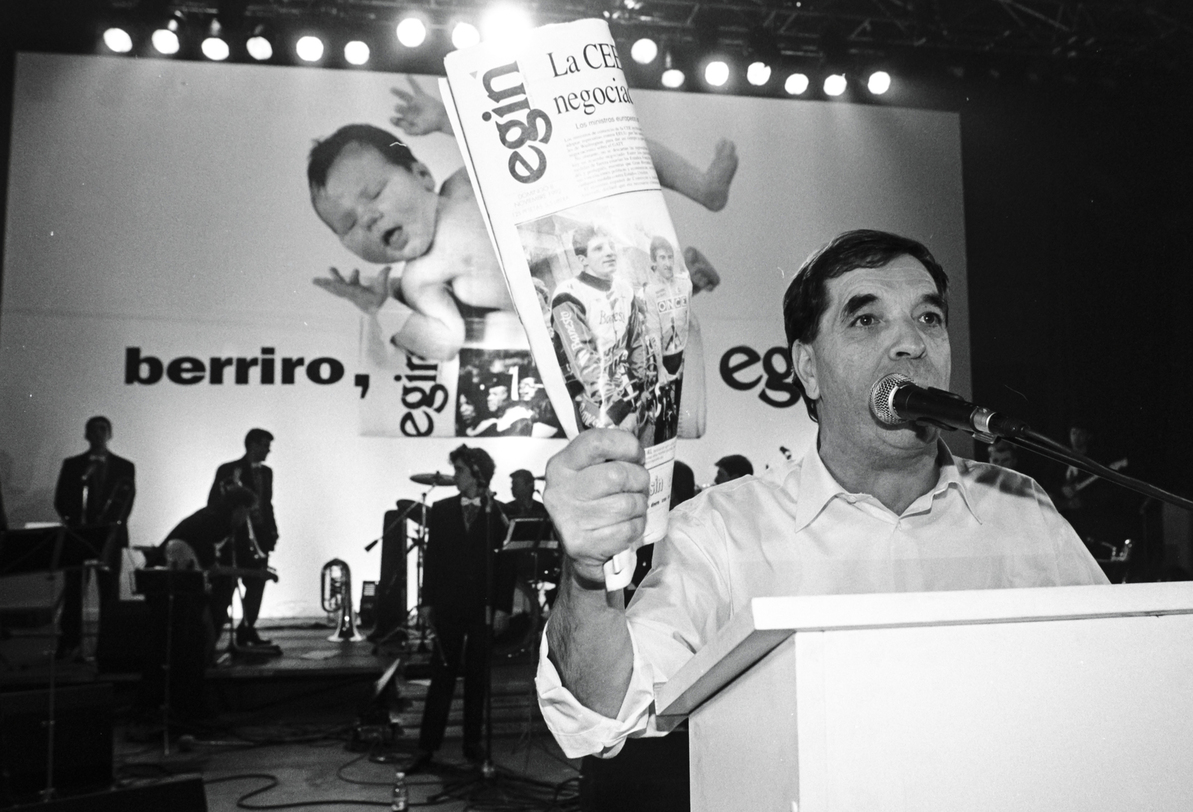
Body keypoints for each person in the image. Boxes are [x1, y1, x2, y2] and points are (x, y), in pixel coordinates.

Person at [535, 229, 1109, 761]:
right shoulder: (720, 529)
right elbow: (605, 711)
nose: (911, 343)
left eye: (929, 318)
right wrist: (586, 576)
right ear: (807, 369)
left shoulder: (1020, 511)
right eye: (866, 321)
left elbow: (1119, 675)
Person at [308, 78, 736, 366]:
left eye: (374, 193)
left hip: (580, 244)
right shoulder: (420, 277)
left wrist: (443, 120)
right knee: (620, 326)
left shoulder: (462, 185)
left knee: (611, 143)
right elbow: (447, 337)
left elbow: (500, 141)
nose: (368, 217)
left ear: (421, 175)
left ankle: (704, 189)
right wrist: (381, 309)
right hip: (566, 307)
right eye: (347, 224)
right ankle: (685, 283)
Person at [410, 445, 518, 772]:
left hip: (482, 607)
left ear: (477, 475)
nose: (454, 476)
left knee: (477, 677)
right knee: (441, 675)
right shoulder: (441, 511)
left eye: (459, 470)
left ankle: (473, 744)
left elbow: (506, 567)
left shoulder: (498, 514)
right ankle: (427, 747)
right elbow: (432, 560)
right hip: (448, 606)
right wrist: (427, 601)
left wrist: (502, 608)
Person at [138, 486, 261, 722]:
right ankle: (187, 708)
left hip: (169, 583)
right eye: (247, 513)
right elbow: (209, 569)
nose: (246, 519)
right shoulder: (216, 523)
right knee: (190, 644)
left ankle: (175, 707)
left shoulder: (211, 516)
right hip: (171, 586)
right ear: (239, 508)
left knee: (176, 647)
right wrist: (253, 573)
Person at [551, 226, 650, 433]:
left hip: (627, 388)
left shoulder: (625, 289)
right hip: (591, 394)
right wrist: (619, 411)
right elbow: (584, 360)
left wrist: (641, 390)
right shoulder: (567, 295)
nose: (609, 252)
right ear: (583, 259)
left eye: (611, 246)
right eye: (598, 249)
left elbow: (637, 344)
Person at [53, 415, 136, 658]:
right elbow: (61, 499)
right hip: (78, 537)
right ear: (86, 435)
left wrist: (109, 526)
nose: (99, 435)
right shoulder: (72, 465)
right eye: (94, 430)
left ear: (110, 435)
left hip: (110, 537)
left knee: (108, 592)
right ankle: (70, 642)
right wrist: (77, 523)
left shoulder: (125, 466)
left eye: (103, 430)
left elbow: (127, 502)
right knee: (74, 591)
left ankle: (108, 645)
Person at [208, 428, 278, 648]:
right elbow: (214, 502)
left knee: (257, 585)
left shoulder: (267, 473)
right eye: (265, 445)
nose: (269, 450)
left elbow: (267, 504)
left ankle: (247, 629)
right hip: (234, 538)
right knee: (225, 589)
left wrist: (272, 531)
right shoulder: (229, 470)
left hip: (260, 537)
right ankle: (211, 637)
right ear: (253, 445)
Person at [643, 236, 692, 443]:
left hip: (681, 353)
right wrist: (660, 366)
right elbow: (653, 330)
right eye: (662, 258)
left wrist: (684, 357)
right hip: (661, 358)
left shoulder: (685, 285)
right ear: (654, 262)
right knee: (662, 407)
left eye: (670, 257)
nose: (667, 262)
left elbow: (688, 320)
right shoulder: (651, 292)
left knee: (679, 404)